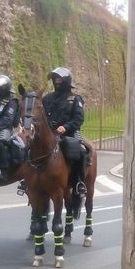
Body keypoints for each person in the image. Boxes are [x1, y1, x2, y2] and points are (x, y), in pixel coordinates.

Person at [42, 67, 88, 198]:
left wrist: (65, 127)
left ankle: (79, 182)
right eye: (55, 78)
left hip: (69, 132)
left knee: (81, 151)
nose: (57, 81)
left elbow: (79, 119)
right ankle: (27, 179)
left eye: (59, 78)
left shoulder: (75, 99)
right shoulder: (47, 98)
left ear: (66, 80)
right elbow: (42, 116)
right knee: (31, 147)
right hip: (50, 132)